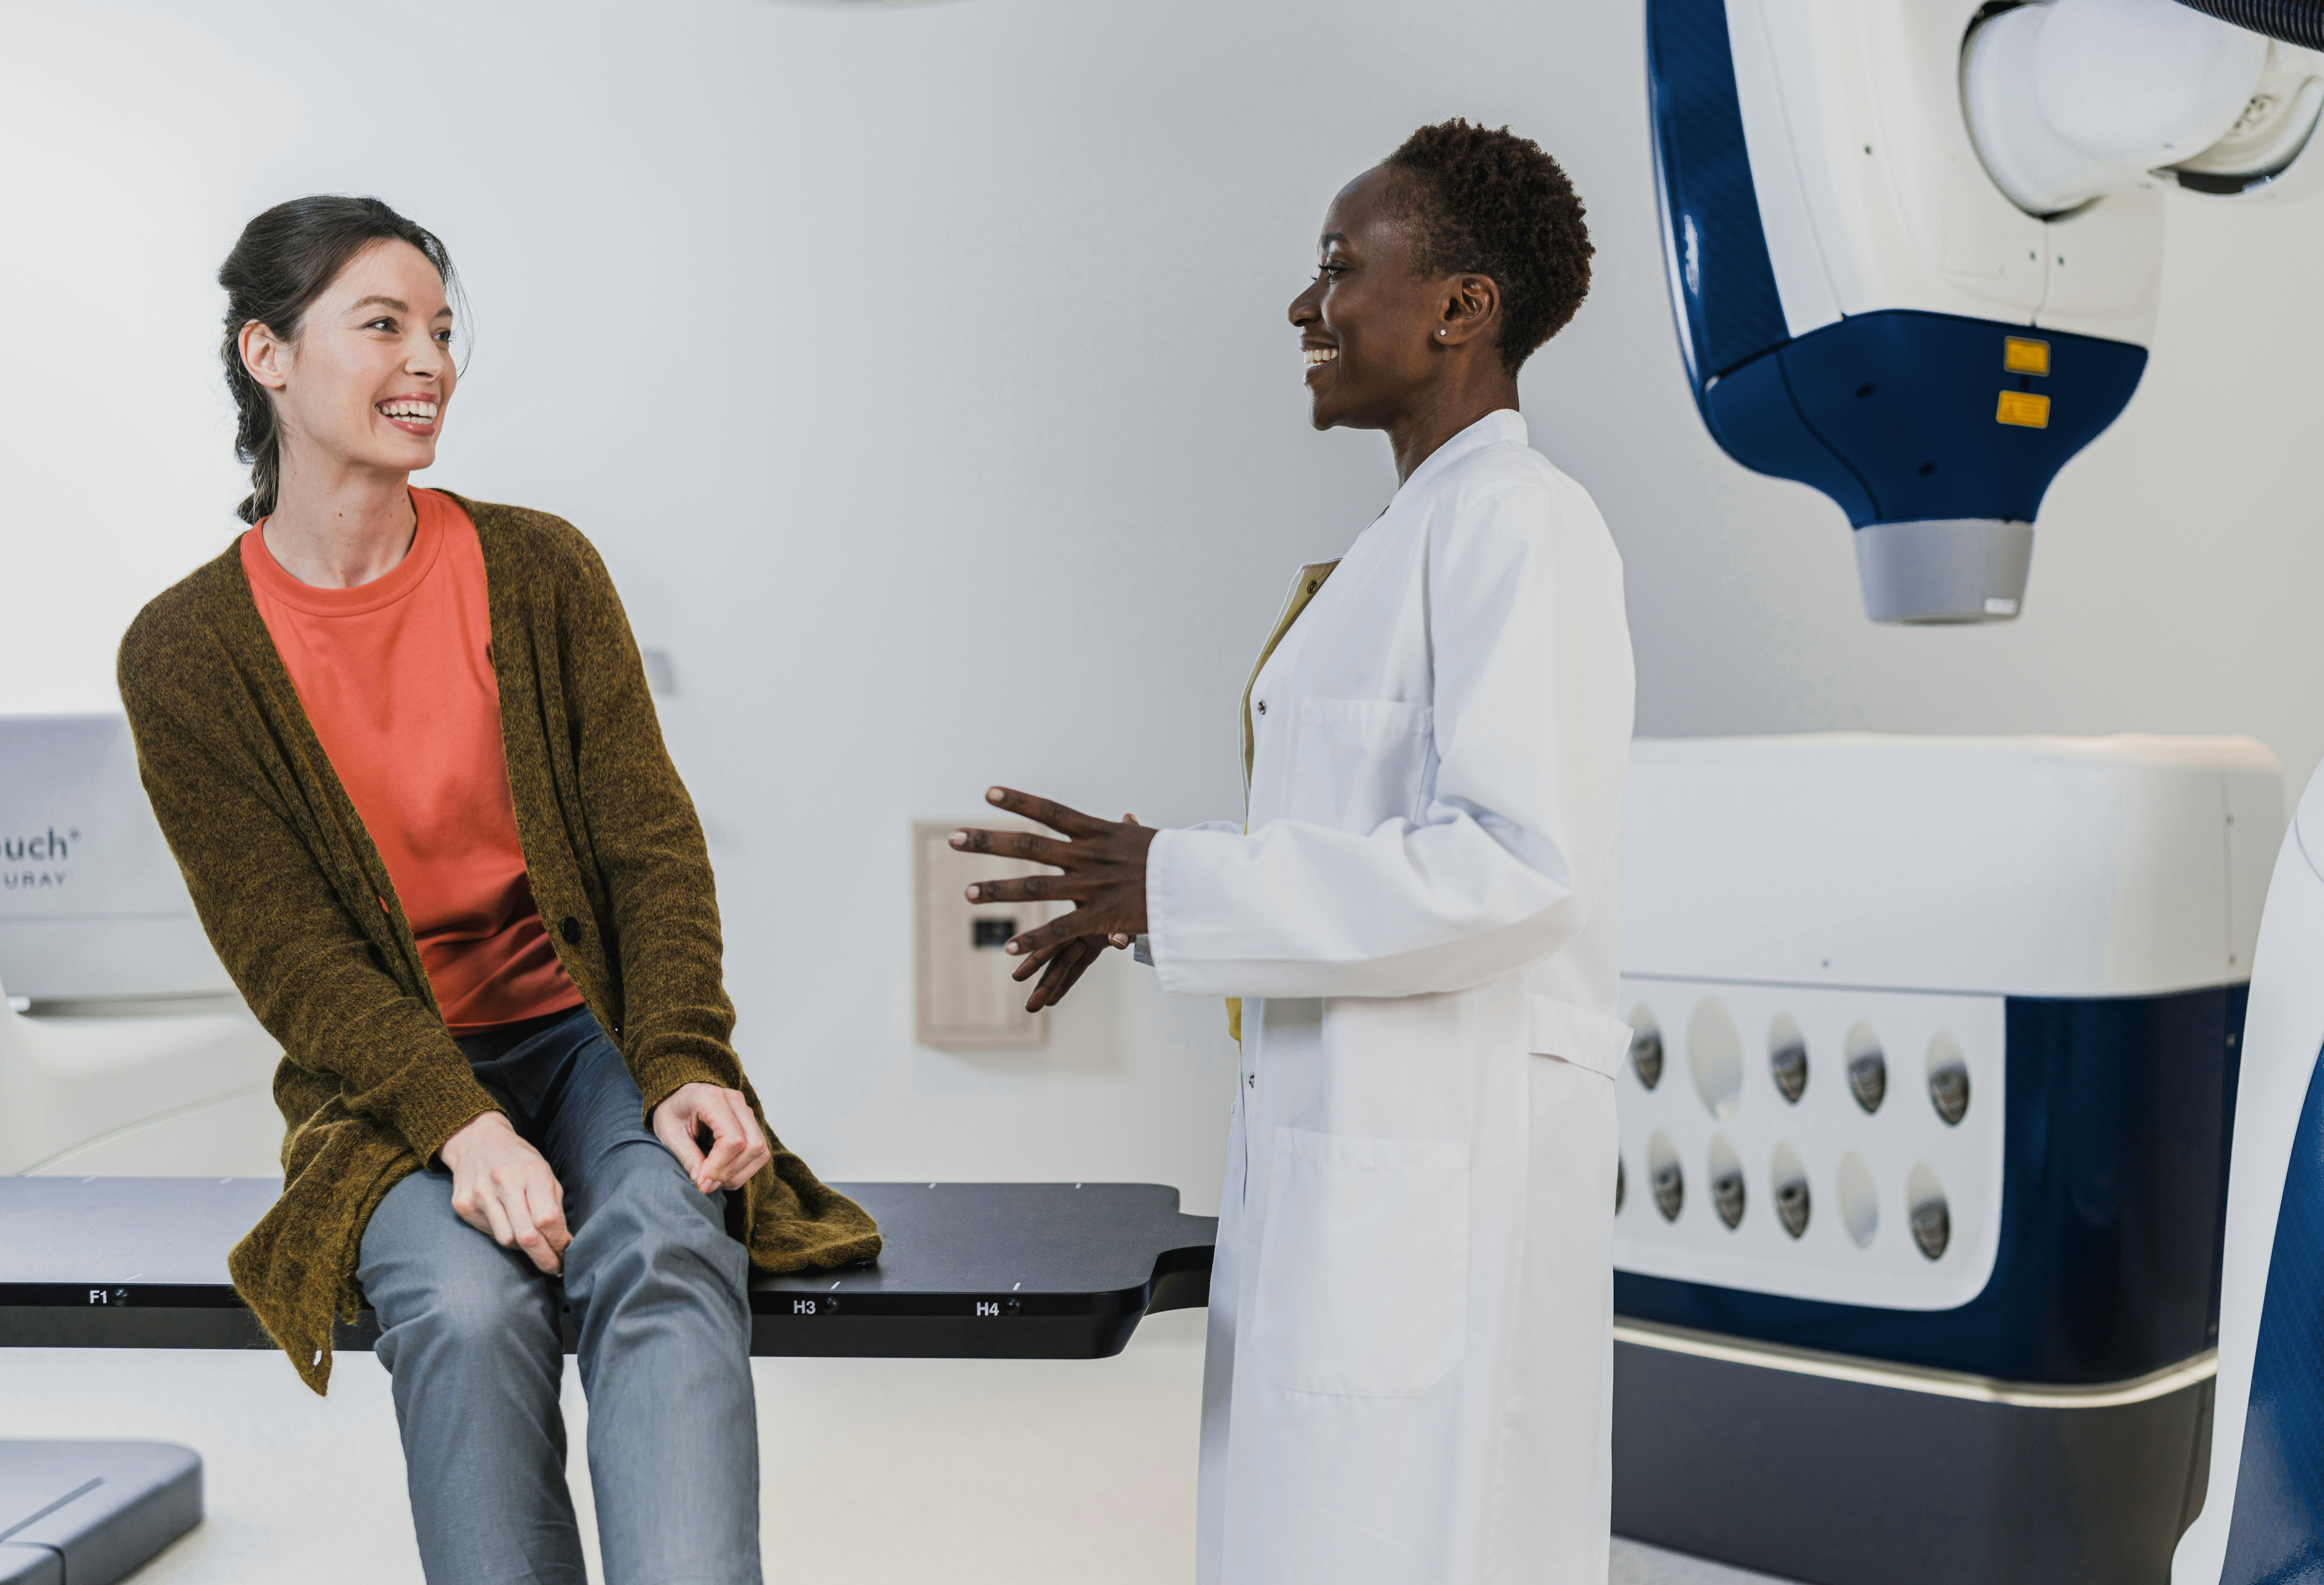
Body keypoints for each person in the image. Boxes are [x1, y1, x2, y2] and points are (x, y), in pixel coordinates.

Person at [117, 195, 879, 1585]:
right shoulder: (184, 655)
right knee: (466, 1312)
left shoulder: (539, 570)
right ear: (268, 356)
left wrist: (688, 1063)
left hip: (586, 1037)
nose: (432, 363)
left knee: (663, 1237)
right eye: (386, 326)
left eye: (446, 332)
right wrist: (461, 1125)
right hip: (392, 1086)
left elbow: (651, 848)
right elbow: (293, 960)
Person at [954, 120, 1634, 1582]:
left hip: (1442, 1199)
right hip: (1362, 1185)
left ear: (1463, 306)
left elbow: (1522, 866)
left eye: (1340, 268)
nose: (1302, 306)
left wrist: (1176, 880)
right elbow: (1359, 862)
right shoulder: (1415, 538)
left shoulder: (1523, 528)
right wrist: (1149, 905)